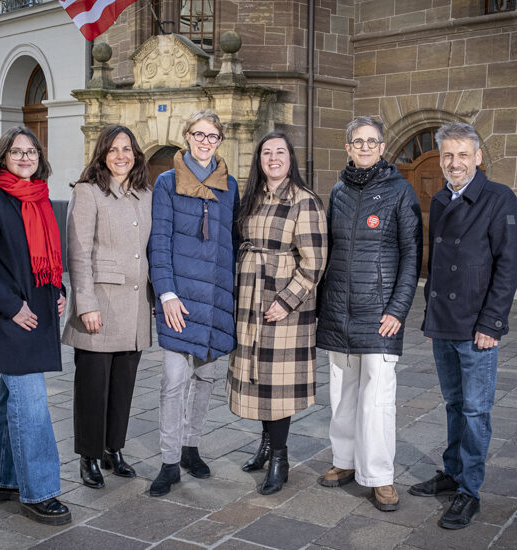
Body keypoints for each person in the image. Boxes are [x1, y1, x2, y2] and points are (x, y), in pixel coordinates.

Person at [409, 122, 517, 529]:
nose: (454, 162)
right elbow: (439, 264)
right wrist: (431, 315)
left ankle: (469, 491)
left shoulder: (499, 199)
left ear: (478, 157)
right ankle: (452, 472)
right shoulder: (442, 199)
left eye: (462, 155)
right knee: (455, 405)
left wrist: (492, 323)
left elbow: (508, 267)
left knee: (476, 411)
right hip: (445, 323)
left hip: (478, 328)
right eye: (447, 155)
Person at [315, 117, 423, 512]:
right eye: (357, 142)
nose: (364, 147)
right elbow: (329, 251)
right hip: (339, 309)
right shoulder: (339, 190)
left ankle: (379, 476)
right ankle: (344, 460)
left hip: (379, 313)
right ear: (348, 148)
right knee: (342, 392)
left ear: (382, 147)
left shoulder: (400, 190)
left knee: (377, 399)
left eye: (371, 142)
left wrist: (398, 309)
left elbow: (412, 254)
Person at [0, 126, 71, 526]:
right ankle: (39, 492)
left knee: (9, 398)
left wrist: (58, 289)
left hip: (39, 312)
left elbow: (48, 258)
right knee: (32, 404)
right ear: (2, 157)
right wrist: (12, 306)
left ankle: (1, 479)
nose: (26, 158)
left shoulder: (41, 197)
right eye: (17, 152)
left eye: (32, 151)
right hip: (10, 317)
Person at [228, 132, 327, 495]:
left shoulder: (305, 201)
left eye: (280, 152)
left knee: (277, 383)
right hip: (250, 299)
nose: (273, 158)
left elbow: (314, 262)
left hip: (285, 305)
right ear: (259, 159)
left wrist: (286, 300)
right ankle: (266, 445)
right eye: (266, 152)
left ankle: (280, 459)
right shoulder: (252, 198)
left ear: (290, 158)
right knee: (259, 377)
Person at [147, 109, 240, 497]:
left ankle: (191, 447)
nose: (205, 142)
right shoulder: (167, 182)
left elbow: (231, 241)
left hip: (214, 296)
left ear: (220, 141)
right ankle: (169, 462)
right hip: (180, 299)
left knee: (205, 378)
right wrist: (166, 293)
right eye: (199, 134)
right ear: (187, 137)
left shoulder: (229, 185)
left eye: (212, 136)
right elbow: (159, 242)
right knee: (173, 380)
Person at [62, 125, 153, 488]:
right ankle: (89, 457)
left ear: (136, 154)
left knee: (123, 386)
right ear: (102, 154)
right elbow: (78, 253)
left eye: (127, 149)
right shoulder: (88, 192)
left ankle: (113, 449)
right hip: (100, 305)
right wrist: (85, 304)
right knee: (93, 388)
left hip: (135, 306)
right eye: (113, 149)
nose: (121, 156)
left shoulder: (144, 194)